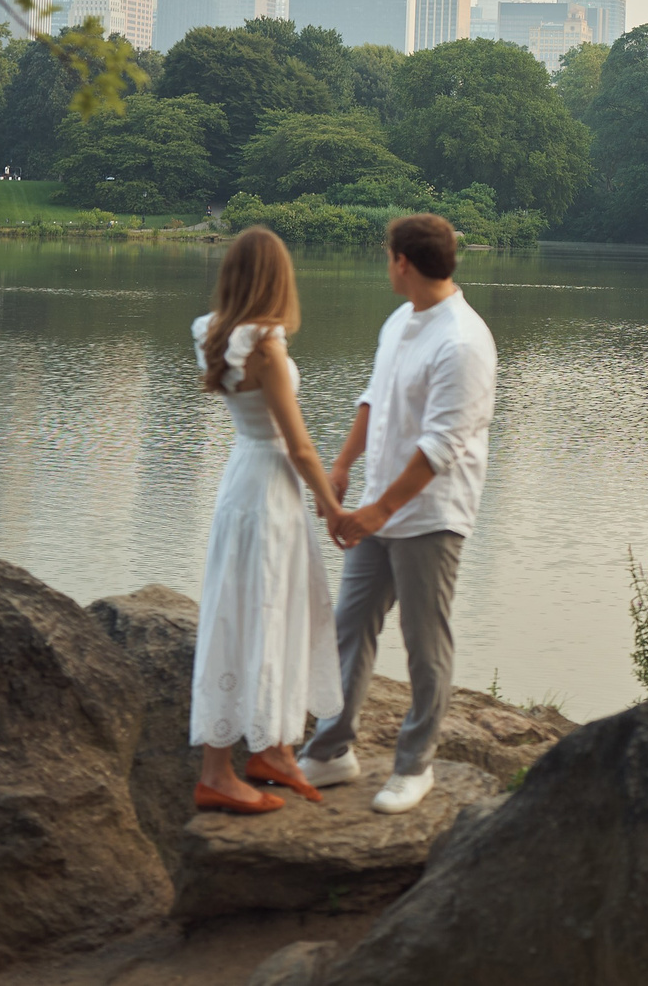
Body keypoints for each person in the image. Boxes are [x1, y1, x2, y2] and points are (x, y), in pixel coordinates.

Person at [297, 213, 497, 814]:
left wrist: (376, 513)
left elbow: (441, 447)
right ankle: (332, 749)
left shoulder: (463, 341)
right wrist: (340, 465)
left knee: (423, 641)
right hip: (379, 509)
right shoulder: (399, 321)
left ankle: (416, 766)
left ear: (402, 262)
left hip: (430, 515)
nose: (385, 264)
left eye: (387, 256)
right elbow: (373, 397)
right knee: (348, 629)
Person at [188, 225, 350, 815]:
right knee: (266, 610)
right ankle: (218, 774)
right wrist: (336, 512)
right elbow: (301, 447)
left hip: (241, 482)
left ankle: (273, 751)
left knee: (248, 608)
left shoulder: (214, 333)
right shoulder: (267, 348)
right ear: (278, 279)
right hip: (271, 490)